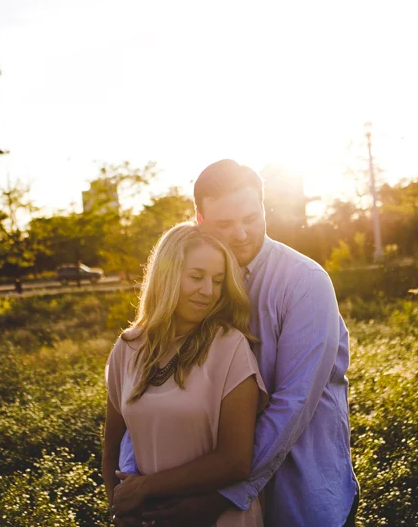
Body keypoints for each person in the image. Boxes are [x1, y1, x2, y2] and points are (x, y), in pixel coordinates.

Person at [123, 159, 359, 527]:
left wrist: (222, 494)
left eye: (251, 218)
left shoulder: (305, 283)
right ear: (198, 219)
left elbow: (293, 403)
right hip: (210, 502)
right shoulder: (198, 289)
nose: (243, 234)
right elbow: (150, 388)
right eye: (225, 224)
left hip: (301, 497)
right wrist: (138, 481)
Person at [103, 222, 269, 527]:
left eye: (218, 281)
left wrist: (148, 486)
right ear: (166, 275)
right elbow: (111, 444)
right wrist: (120, 508)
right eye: (196, 277)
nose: (208, 291)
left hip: (220, 519)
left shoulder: (230, 347)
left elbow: (235, 461)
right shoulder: (128, 348)